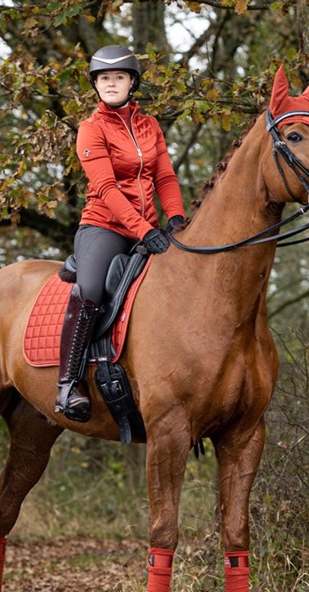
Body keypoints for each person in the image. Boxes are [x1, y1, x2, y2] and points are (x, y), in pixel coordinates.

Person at [55, 45, 186, 422]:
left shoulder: (150, 126)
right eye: (104, 79)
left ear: (132, 83)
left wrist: (175, 218)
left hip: (147, 229)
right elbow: (108, 189)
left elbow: (165, 176)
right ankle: (68, 384)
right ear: (96, 85)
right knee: (92, 290)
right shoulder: (90, 129)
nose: (111, 84)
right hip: (103, 226)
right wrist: (145, 230)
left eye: (118, 77)